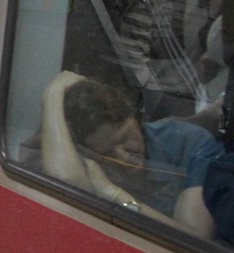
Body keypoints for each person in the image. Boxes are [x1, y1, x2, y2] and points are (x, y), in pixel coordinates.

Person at [40, 70, 223, 239]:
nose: (124, 156)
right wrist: (53, 95)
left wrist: (113, 193)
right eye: (108, 152)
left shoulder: (187, 142)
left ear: (136, 117)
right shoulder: (82, 160)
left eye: (127, 138)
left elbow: (195, 240)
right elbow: (65, 181)